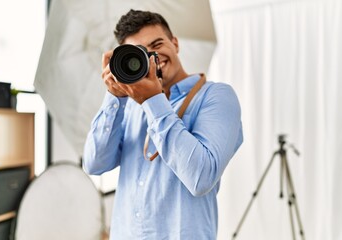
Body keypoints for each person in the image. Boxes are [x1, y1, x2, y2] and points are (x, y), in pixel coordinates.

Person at [83, 9, 243, 240]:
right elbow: (94, 163)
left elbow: (201, 178)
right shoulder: (130, 105)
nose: (152, 58)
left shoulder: (217, 97)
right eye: (140, 54)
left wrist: (153, 101)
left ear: (175, 43)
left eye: (157, 44)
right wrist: (114, 97)